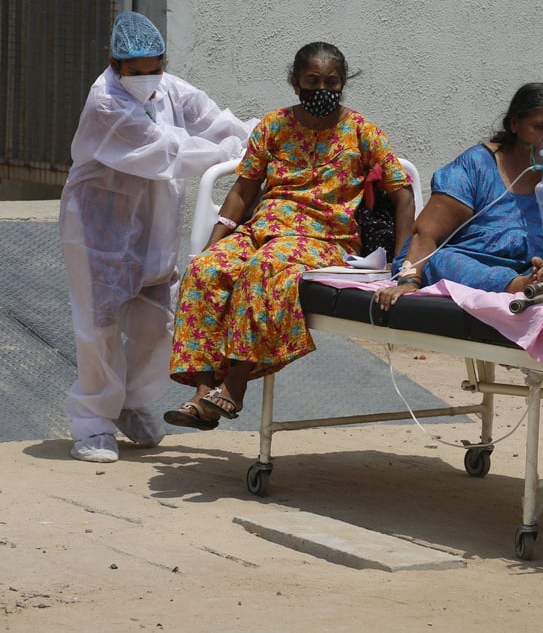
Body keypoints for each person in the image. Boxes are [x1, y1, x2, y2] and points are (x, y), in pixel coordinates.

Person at [163, 42, 414, 430]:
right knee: (206, 270)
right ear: (295, 83)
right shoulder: (275, 126)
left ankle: (234, 385)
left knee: (265, 268)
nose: (321, 89)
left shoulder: (363, 132)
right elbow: (243, 190)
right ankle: (201, 392)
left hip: (325, 238)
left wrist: (402, 264)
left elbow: (403, 195)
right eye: (312, 81)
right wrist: (215, 241)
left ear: (343, 84)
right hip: (264, 229)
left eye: (331, 82)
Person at [60, 11, 254, 463]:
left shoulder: (169, 88)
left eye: (154, 68)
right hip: (100, 230)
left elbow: (212, 119)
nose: (146, 78)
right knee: (99, 328)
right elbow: (165, 150)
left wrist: (255, 138)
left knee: (161, 327)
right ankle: (92, 424)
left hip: (156, 227)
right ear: (115, 64)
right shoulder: (105, 101)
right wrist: (228, 154)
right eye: (136, 71)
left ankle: (128, 404)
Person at [374, 82, 543, 310]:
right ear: (514, 124)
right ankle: (517, 286)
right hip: (475, 266)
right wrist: (410, 280)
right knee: (445, 260)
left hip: (540, 271)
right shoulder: (476, 168)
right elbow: (425, 234)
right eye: (540, 127)